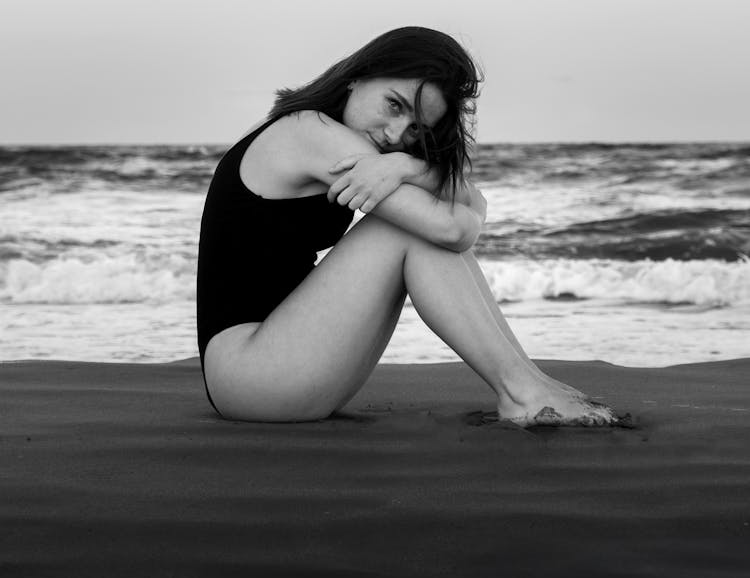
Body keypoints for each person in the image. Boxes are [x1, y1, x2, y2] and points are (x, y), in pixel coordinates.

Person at [197, 26, 621, 426]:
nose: (396, 134)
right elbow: (455, 227)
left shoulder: (347, 141)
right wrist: (425, 180)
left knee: (418, 227)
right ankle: (522, 388)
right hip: (249, 376)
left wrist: (404, 166)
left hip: (285, 364)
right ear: (358, 77)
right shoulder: (309, 131)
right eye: (394, 105)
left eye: (417, 129)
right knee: (404, 230)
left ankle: (528, 381)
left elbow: (469, 202)